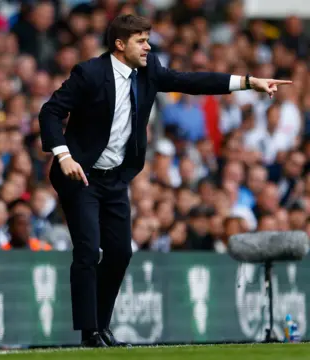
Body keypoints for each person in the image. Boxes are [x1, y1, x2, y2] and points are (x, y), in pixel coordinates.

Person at [38, 14, 291, 348]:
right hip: (80, 174)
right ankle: (89, 332)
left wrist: (247, 81)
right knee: (88, 250)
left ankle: (102, 324)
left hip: (115, 178)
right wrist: (63, 155)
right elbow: (50, 112)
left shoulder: (149, 70)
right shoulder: (90, 73)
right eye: (141, 41)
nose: (148, 46)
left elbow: (193, 81)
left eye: (148, 39)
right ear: (119, 44)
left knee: (119, 253)